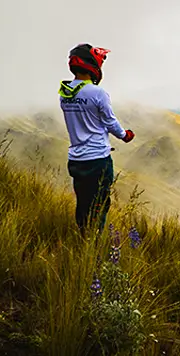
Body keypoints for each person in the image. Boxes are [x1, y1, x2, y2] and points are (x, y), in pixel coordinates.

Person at [59, 43, 134, 235]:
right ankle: (94, 244)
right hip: (97, 159)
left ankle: (82, 237)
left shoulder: (65, 93)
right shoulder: (97, 93)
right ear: (93, 64)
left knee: (83, 203)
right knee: (99, 204)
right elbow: (110, 122)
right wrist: (125, 135)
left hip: (76, 159)